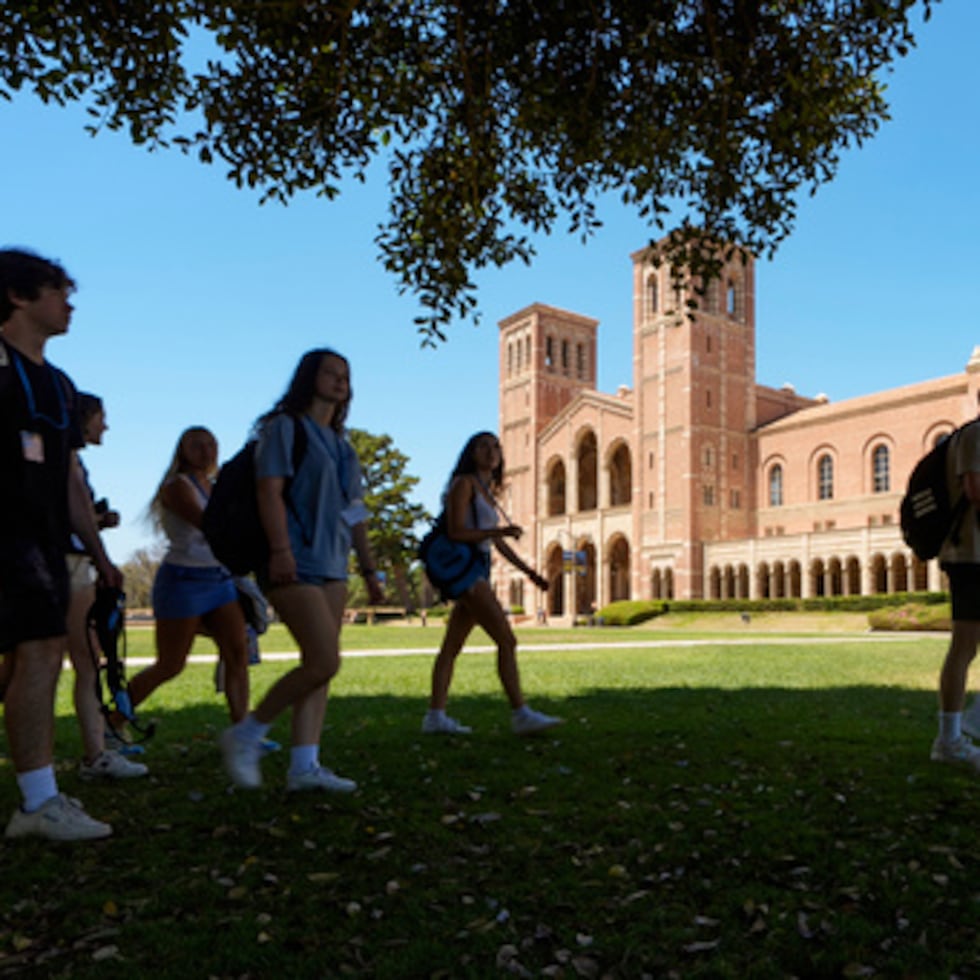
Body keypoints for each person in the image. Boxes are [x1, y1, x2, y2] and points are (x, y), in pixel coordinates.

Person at [0, 248, 123, 841]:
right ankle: (37, 800)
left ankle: (38, 800)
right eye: (57, 291)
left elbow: (72, 479)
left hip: (45, 544)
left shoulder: (61, 386)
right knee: (39, 652)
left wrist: (99, 555)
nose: (69, 304)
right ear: (17, 296)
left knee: (40, 653)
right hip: (8, 538)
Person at [220, 348, 383, 792]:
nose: (340, 381)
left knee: (320, 666)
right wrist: (280, 549)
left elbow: (355, 513)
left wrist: (370, 570)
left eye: (346, 375)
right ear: (309, 378)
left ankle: (304, 766)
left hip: (334, 564)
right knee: (324, 659)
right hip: (292, 559)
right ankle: (248, 733)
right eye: (331, 373)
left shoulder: (344, 448)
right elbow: (268, 491)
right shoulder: (284, 429)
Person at [422, 431, 561, 737]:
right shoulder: (464, 484)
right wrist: (499, 532)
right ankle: (520, 713)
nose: (491, 451)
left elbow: (497, 543)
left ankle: (435, 716)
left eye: (496, 446)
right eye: (483, 446)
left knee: (451, 647)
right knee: (506, 640)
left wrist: (530, 572)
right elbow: (456, 531)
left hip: (479, 569)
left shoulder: (488, 491)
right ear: (471, 453)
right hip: (467, 571)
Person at [116, 427, 250, 731]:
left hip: (218, 578)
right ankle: (113, 721)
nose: (206, 451)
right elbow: (209, 524)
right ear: (183, 451)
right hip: (184, 579)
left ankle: (242, 732)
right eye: (197, 445)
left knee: (237, 652)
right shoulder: (177, 486)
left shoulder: (215, 486)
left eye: (211, 444)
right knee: (170, 664)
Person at [65, 392, 147, 779]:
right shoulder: (68, 461)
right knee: (85, 662)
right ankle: (96, 754)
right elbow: (67, 514)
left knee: (35, 662)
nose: (106, 426)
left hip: (63, 561)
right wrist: (100, 550)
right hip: (69, 564)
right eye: (101, 417)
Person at [931, 417, 980, 772]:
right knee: (964, 645)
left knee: (966, 646)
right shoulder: (976, 435)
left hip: (973, 556)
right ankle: (949, 739)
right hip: (971, 557)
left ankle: (971, 724)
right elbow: (975, 489)